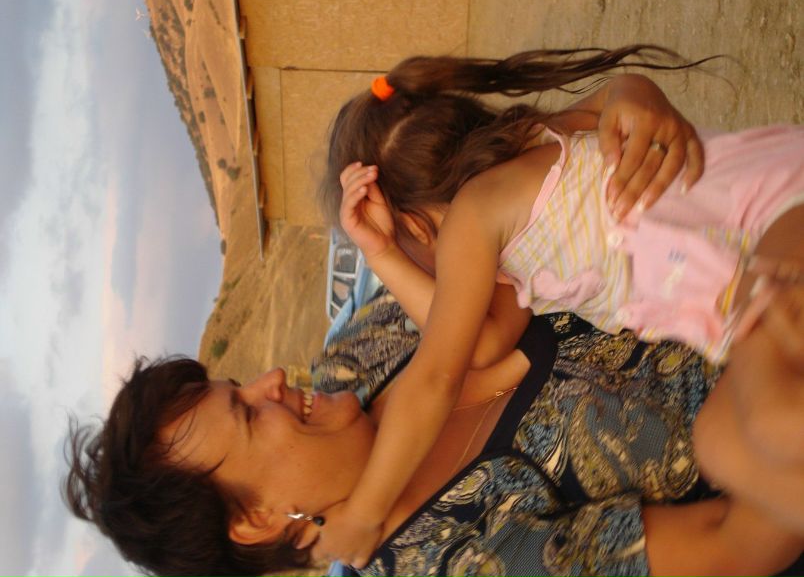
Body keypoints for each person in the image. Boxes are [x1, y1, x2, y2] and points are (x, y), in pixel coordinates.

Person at [315, 46, 804, 564]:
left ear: (417, 227)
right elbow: (484, 343)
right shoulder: (526, 154)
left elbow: (438, 374)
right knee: (721, 443)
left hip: (767, 222)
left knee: (769, 419)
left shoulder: (473, 218)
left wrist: (364, 515)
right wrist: (385, 251)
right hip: (748, 263)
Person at [64, 294, 803, 577]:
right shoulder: (451, 560)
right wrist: (774, 355)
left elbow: (521, 223)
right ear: (255, 519)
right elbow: (732, 547)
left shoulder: (360, 351)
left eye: (239, 383)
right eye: (249, 414)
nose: (272, 380)